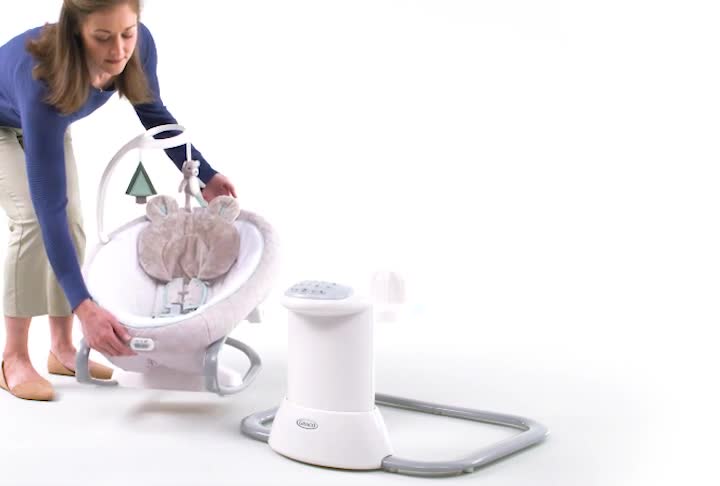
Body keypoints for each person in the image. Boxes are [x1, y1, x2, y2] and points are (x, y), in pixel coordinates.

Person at [0, 0, 236, 401]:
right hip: (9, 120)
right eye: (102, 37)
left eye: (127, 33)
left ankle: (61, 348)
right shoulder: (43, 80)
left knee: (73, 222)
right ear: (76, 35)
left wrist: (205, 175)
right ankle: (13, 357)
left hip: (43, 120)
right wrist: (85, 306)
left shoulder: (138, 46)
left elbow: (153, 113)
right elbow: (48, 207)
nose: (119, 50)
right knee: (34, 222)